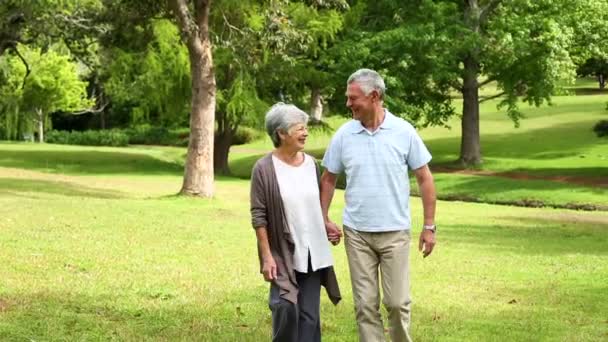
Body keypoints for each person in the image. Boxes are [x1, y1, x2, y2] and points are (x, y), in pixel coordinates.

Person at [320, 69, 437, 342]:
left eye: (353, 98)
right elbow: (328, 179)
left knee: (397, 303)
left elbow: (425, 178)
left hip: (395, 233)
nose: (348, 104)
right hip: (357, 234)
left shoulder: (403, 131)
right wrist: (323, 217)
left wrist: (429, 226)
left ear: (374, 96)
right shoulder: (344, 134)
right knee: (365, 305)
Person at [250, 103, 341, 342]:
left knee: (309, 317)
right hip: (283, 252)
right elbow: (259, 216)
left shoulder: (312, 164)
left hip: (313, 251)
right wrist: (266, 255)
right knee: (286, 307)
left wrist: (326, 223)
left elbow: (314, 206)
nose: (305, 133)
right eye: (299, 128)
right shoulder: (263, 168)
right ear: (281, 133)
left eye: (305, 127)